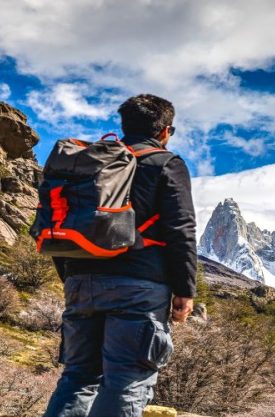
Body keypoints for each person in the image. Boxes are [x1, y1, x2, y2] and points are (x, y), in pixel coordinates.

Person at [43, 94, 197, 417]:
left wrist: (73, 278)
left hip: (81, 283)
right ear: (166, 131)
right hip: (139, 291)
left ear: (124, 126)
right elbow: (181, 229)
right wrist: (185, 290)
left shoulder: (91, 164)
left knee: (77, 378)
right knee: (126, 383)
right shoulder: (167, 164)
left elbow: (57, 222)